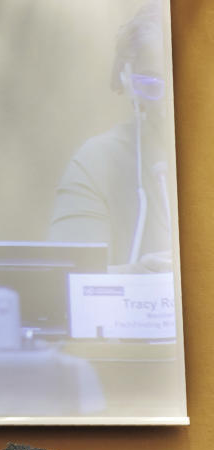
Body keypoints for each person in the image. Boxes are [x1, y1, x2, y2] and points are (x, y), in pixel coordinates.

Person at [49, 1, 174, 271]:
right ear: (128, 80)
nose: (171, 102)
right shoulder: (97, 163)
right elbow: (65, 283)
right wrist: (140, 278)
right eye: (153, 85)